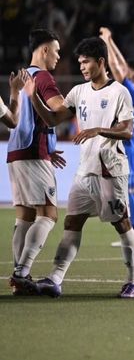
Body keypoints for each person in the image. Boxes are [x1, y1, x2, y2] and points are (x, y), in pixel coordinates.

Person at [25, 37, 134, 298]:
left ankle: (133, 281)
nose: (82, 67)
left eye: (86, 62)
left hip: (110, 171)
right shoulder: (79, 91)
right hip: (84, 171)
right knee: (72, 222)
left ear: (101, 61)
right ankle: (55, 279)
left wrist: (98, 130)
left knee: (122, 223)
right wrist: (34, 98)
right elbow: (53, 118)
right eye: (80, 62)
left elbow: (127, 130)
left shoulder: (119, 92)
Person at [7, 29, 67, 296]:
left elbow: (20, 118)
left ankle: (21, 277)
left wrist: (49, 145)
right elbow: (60, 110)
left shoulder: (22, 77)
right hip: (33, 154)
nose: (58, 55)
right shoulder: (42, 78)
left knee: (25, 217)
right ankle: (21, 272)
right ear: (44, 50)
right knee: (49, 215)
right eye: (55, 50)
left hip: (15, 153)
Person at [99, 27, 134, 247]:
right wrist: (110, 40)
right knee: (128, 188)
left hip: (128, 143)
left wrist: (107, 42)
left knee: (129, 188)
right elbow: (120, 65)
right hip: (131, 142)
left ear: (133, 74)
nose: (124, 69)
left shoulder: (131, 89)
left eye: (128, 69)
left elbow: (116, 67)